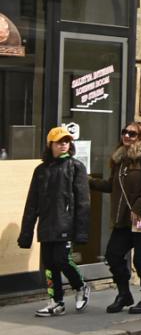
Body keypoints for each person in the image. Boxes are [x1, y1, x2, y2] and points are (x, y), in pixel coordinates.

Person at [90, 121, 141, 314]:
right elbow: (112, 185)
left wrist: (138, 208)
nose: (127, 136)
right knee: (113, 255)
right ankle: (124, 294)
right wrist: (89, 182)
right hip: (124, 220)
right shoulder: (121, 159)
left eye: (132, 134)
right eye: (125, 132)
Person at [20, 127, 90, 317]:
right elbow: (32, 203)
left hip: (65, 224)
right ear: (50, 144)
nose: (63, 144)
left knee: (62, 259)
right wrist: (26, 233)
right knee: (50, 264)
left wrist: (81, 231)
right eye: (59, 142)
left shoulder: (75, 167)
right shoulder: (40, 170)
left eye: (66, 141)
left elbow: (83, 202)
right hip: (46, 225)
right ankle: (56, 302)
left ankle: (81, 286)